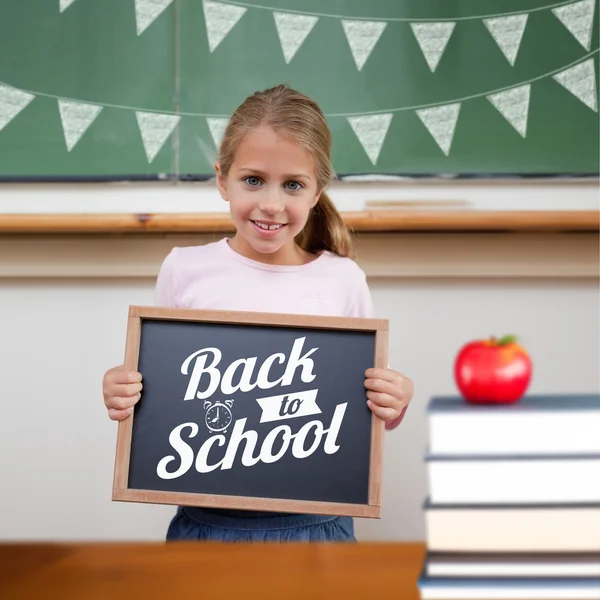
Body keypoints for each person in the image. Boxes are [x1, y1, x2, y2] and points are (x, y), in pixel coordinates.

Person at [102, 84, 414, 543]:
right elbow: (160, 392)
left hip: (317, 529)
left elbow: (361, 409)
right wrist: (122, 390)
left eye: (292, 184)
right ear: (222, 179)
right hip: (207, 527)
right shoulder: (185, 270)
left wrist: (395, 401)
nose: (271, 203)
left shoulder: (342, 280)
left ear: (317, 190)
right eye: (253, 180)